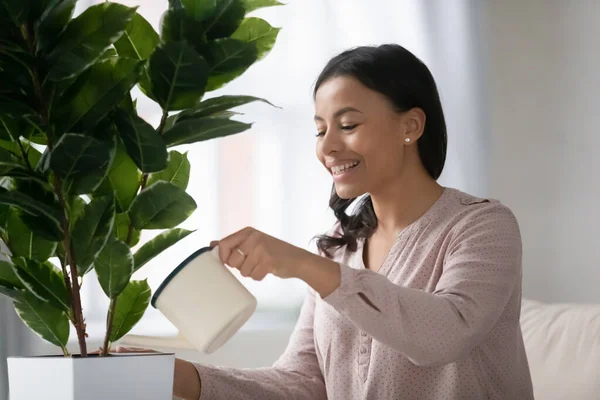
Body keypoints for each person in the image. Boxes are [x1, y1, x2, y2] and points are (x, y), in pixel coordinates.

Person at [120, 44, 534, 399]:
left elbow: (444, 333)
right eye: (320, 131)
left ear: (411, 126)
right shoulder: (342, 245)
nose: (329, 147)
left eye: (348, 125)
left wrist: (306, 265)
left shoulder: (483, 227)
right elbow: (301, 384)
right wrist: (182, 378)